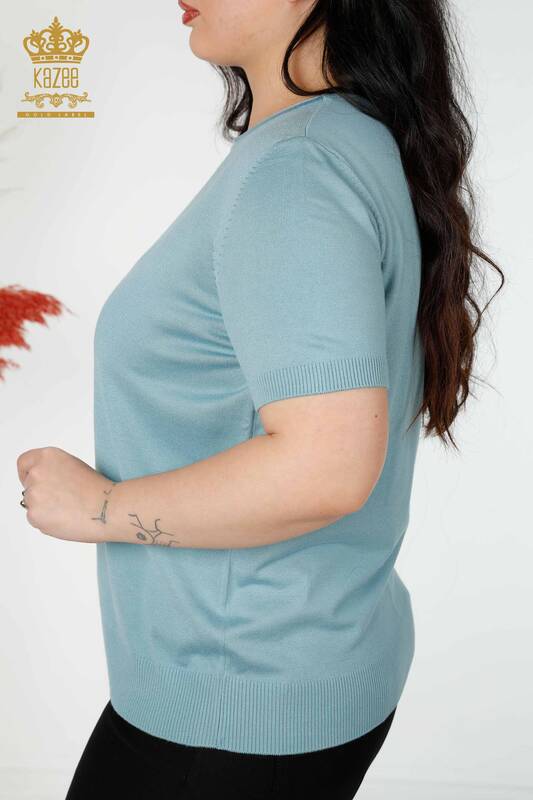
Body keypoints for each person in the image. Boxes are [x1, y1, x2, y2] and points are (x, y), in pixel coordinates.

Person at [17, 1, 503, 798]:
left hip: (233, 699)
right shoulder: (343, 141)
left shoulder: (298, 170)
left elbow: (325, 469)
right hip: (293, 666)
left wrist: (97, 507)